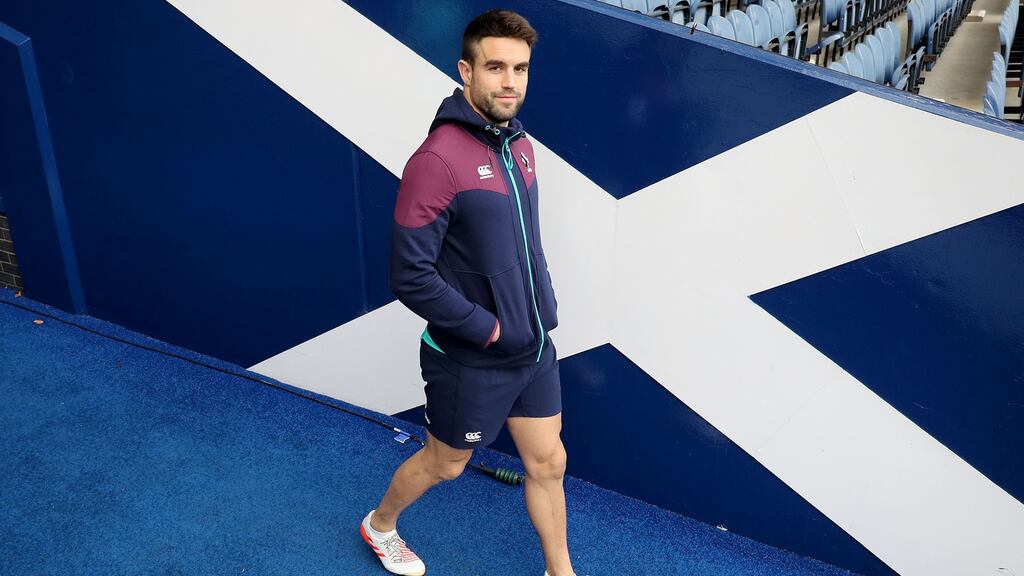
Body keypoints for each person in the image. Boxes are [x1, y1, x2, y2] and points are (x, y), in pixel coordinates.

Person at [359, 9, 575, 576]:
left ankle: (561, 571)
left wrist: (540, 312)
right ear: (466, 71)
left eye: (521, 69)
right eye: (496, 67)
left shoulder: (521, 146)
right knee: (446, 463)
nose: (510, 82)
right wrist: (490, 328)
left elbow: (529, 243)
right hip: (471, 356)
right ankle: (380, 526)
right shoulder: (436, 161)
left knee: (548, 461)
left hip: (531, 349)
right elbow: (410, 275)